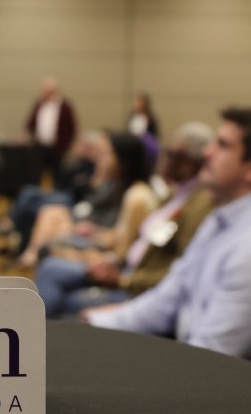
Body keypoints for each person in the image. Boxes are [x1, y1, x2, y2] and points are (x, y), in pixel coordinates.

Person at [83, 108, 251, 385]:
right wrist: (96, 323)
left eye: (222, 145)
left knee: (97, 378)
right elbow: (169, 297)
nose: (207, 152)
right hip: (210, 368)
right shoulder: (222, 217)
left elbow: (210, 358)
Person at [36, 121, 214, 318]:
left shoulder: (194, 206)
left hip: (135, 284)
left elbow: (178, 272)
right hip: (125, 268)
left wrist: (123, 279)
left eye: (172, 155)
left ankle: (40, 331)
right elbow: (136, 243)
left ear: (190, 163)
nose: (163, 160)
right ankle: (37, 330)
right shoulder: (174, 195)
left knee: (68, 294)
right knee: (51, 266)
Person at [15, 132, 152, 268]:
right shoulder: (124, 186)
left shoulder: (136, 196)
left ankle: (30, 261)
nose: (100, 159)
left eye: (107, 154)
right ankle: (30, 260)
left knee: (51, 245)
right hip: (97, 232)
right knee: (49, 214)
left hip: (108, 256)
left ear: (124, 160)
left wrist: (94, 238)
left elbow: (121, 252)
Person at [24, 76, 77, 178]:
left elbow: (71, 128)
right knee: (37, 173)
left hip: (57, 148)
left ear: (54, 91)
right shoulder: (39, 105)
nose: (43, 93)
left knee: (56, 175)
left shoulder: (65, 106)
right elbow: (30, 124)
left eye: (46, 91)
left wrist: (64, 146)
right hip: (39, 147)